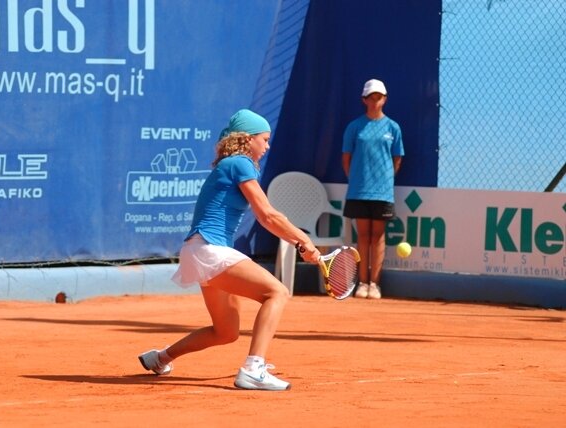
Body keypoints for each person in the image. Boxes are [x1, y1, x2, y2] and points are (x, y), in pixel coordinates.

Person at [139, 109, 321, 391]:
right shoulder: (240, 163)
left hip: (198, 251)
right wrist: (303, 241)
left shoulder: (230, 164)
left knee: (225, 332)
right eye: (264, 139)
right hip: (209, 251)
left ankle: (160, 358)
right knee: (277, 292)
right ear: (248, 140)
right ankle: (253, 368)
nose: (267, 145)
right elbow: (267, 215)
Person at [341, 79, 404, 300]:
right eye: (371, 97)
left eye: (379, 97)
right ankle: (362, 283)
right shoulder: (355, 126)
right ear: (364, 100)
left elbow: (397, 158)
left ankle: (374, 284)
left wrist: (385, 180)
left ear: (384, 99)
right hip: (359, 191)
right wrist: (358, 180)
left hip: (383, 192)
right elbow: (346, 159)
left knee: (377, 236)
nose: (375, 101)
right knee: (363, 236)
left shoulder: (393, 128)